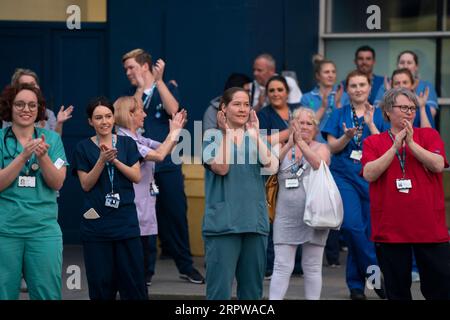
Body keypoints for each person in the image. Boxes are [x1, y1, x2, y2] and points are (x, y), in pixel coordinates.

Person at [122, 48, 204, 284]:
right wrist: (139, 88)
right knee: (144, 218)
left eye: (131, 67)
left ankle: (185, 266)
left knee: (176, 214)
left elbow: (175, 111)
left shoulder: (166, 87)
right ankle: (145, 270)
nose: (128, 72)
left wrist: (157, 82)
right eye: (126, 69)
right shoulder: (129, 93)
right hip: (141, 164)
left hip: (167, 162)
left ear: (145, 66)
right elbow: (130, 118)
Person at [362, 87, 450, 300]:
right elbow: (369, 174)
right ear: (388, 111)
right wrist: (394, 148)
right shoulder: (373, 142)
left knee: (440, 289)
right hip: (391, 230)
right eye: (403, 107)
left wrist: (410, 143)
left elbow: (438, 165)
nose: (409, 112)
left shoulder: (428, 135)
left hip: (429, 228)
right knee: (397, 292)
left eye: (412, 108)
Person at [202, 87, 279, 299]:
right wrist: (226, 133)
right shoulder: (212, 137)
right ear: (223, 108)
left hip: (254, 223)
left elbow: (272, 167)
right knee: (219, 292)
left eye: (246, 104)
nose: (243, 109)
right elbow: (221, 167)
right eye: (237, 104)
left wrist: (254, 135)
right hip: (223, 226)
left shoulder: (256, 137)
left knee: (252, 292)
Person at [72, 97, 147, 300]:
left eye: (108, 116)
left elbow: (136, 176)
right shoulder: (83, 147)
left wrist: (114, 161)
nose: (104, 121)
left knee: (133, 283)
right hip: (97, 226)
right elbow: (86, 184)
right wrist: (101, 161)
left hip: (125, 223)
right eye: (98, 118)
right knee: (101, 284)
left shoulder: (127, 143)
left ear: (114, 118)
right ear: (90, 122)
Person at [322, 70, 386, 300]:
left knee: (366, 235)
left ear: (370, 87)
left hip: (372, 178)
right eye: (353, 85)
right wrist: (347, 137)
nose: (358, 89)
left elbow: (386, 147)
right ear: (347, 90)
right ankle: (376, 275)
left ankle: (356, 287)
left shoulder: (380, 114)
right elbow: (332, 147)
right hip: (344, 176)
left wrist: (370, 124)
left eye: (362, 85)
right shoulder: (339, 114)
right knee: (351, 227)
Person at [0, 83, 68, 299]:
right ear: (9, 107)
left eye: (32, 105)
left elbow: (57, 183)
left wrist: (42, 156)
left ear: (39, 109)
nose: (26, 109)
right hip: (5, 230)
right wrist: (22, 157)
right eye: (19, 104)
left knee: (47, 293)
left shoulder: (53, 140)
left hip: (43, 231)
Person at [113, 95, 187, 287]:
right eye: (140, 111)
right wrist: (174, 131)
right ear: (130, 114)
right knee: (133, 271)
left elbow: (164, 148)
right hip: (132, 212)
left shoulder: (138, 137)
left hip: (143, 210)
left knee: (142, 269)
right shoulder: (125, 141)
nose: (145, 114)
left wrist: (174, 133)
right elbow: (160, 155)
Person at [269, 108, 331, 300]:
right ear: (291, 124)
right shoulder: (281, 145)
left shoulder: (322, 147)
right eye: (299, 122)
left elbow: (318, 164)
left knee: (312, 267)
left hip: (315, 214)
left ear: (315, 128)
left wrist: (301, 144)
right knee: (281, 266)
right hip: (285, 215)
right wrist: (289, 143)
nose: (304, 126)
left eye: (308, 123)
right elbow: (269, 166)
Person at [257, 75, 302, 278]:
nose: (276, 94)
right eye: (272, 90)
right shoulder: (263, 114)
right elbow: (262, 140)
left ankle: (297, 264)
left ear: (287, 92)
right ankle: (269, 265)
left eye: (279, 90)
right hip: (272, 173)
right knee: (273, 216)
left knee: (297, 213)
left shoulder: (296, 111)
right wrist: (290, 133)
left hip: (297, 170)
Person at [4, 68, 74, 135]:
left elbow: (55, 144)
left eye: (32, 84)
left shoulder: (48, 114)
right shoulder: (11, 112)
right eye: (25, 85)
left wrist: (59, 123)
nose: (30, 88)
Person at [374, 50, 439, 118]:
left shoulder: (426, 86)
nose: (405, 66)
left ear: (416, 66)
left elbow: (431, 113)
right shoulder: (386, 85)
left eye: (409, 63)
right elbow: (376, 112)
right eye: (402, 62)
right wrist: (390, 93)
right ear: (397, 65)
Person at [301, 55, 349, 143]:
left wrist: (338, 103)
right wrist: (322, 108)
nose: (331, 75)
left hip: (337, 145)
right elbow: (306, 125)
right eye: (327, 72)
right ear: (318, 75)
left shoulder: (344, 96)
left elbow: (346, 124)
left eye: (333, 72)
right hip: (315, 145)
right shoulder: (307, 97)